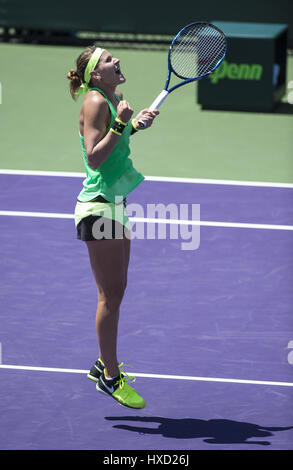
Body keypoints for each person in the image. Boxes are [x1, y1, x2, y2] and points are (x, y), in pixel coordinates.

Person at [67, 45, 158, 409]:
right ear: (94, 74)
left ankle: (103, 364)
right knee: (110, 296)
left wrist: (133, 125)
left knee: (117, 291)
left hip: (116, 205)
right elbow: (93, 155)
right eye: (107, 60)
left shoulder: (113, 95)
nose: (115, 60)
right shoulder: (96, 102)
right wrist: (121, 122)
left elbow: (114, 143)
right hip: (98, 208)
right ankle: (110, 376)